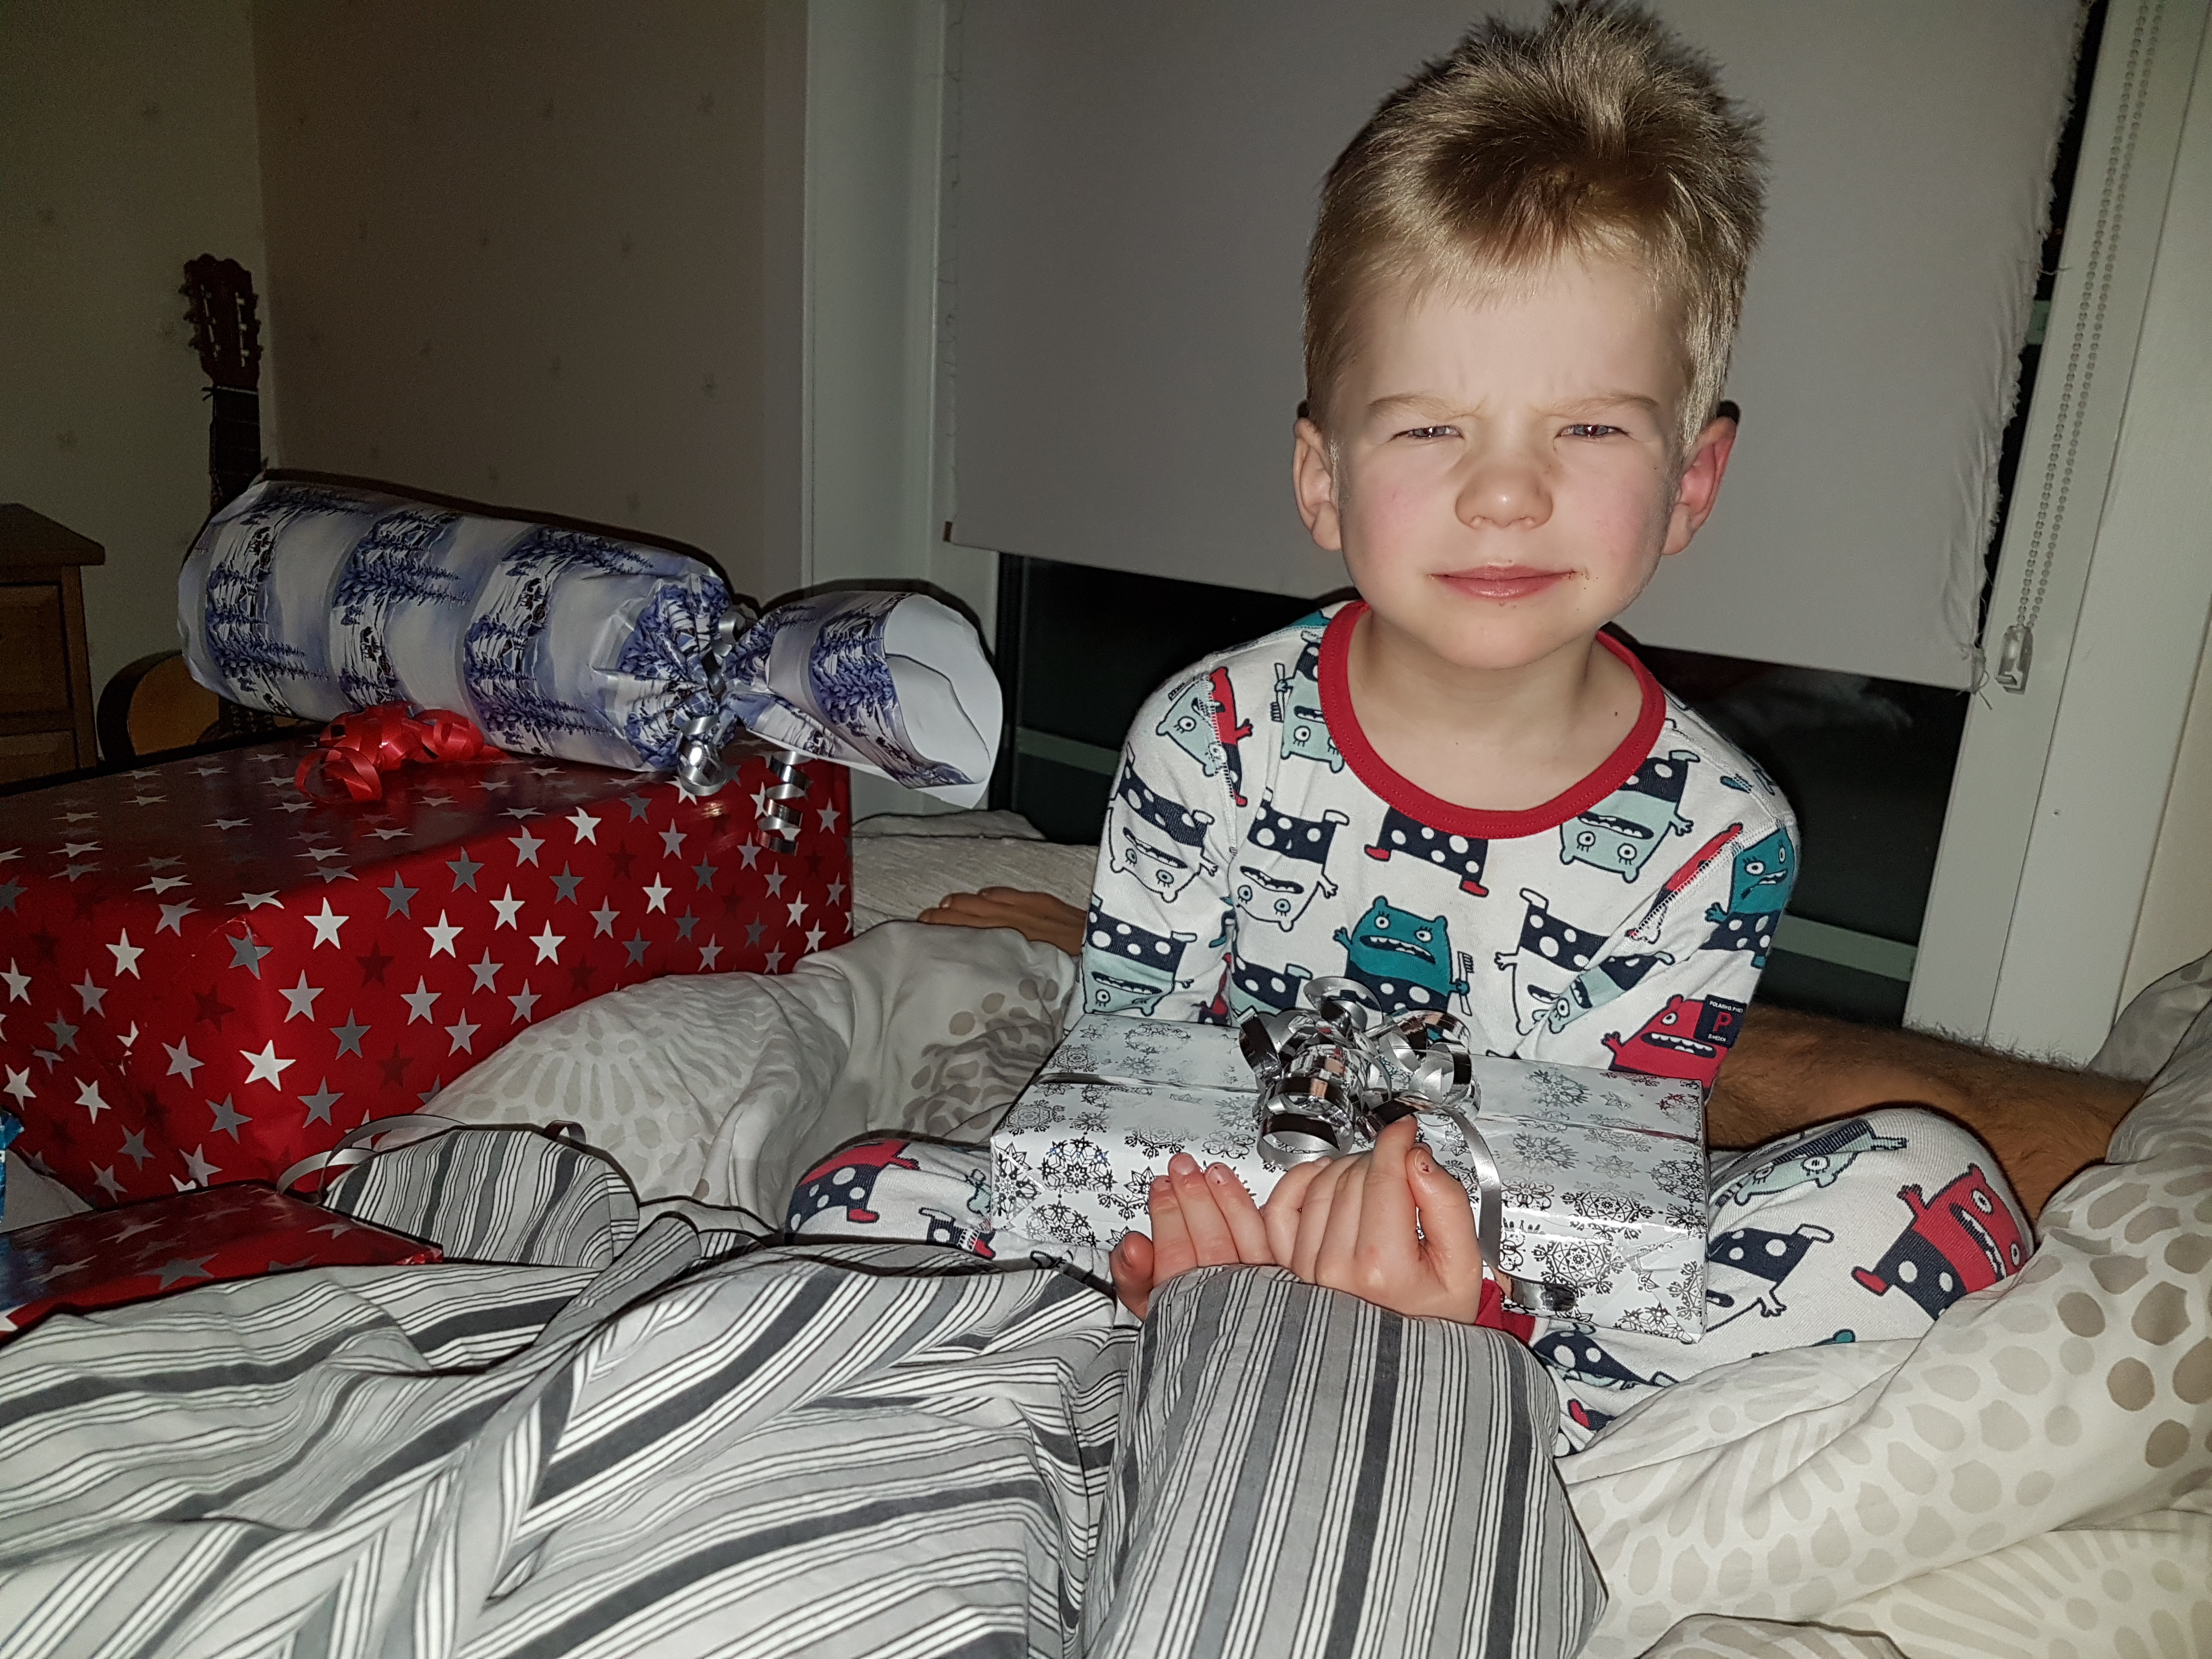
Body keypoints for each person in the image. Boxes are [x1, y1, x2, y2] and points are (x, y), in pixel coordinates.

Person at [918, 4, 2057, 1447]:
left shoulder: (1722, 838)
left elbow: (1612, 1180)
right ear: (1324, 478)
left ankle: (1433, 1414)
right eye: (1430, 428)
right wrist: (1181, 1259)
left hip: (1510, 1297)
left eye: (1587, 429)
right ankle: (1248, 1385)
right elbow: (1129, 1081)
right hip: (1210, 1233)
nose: (1506, 494)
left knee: (1933, 1199)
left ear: (1691, 483)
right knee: (863, 1199)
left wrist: (1463, 1310)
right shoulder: (1206, 739)